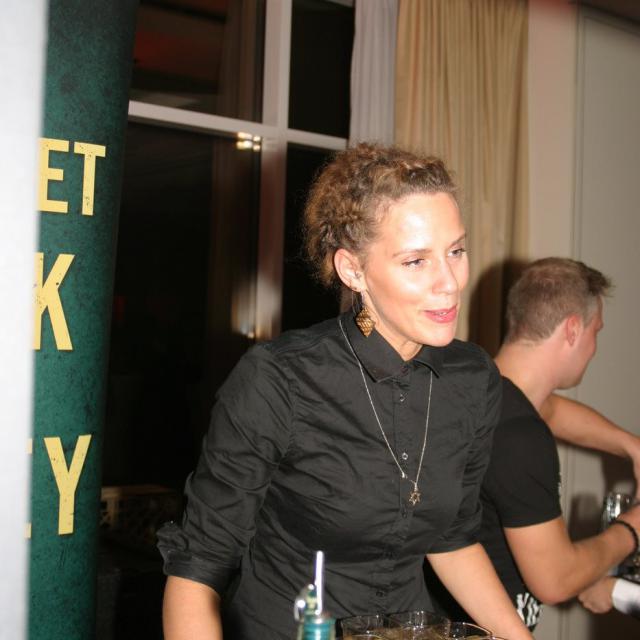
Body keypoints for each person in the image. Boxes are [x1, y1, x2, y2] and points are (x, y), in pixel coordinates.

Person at [157, 144, 533, 640]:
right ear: (353, 270)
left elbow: (453, 538)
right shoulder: (280, 379)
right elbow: (199, 567)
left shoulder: (473, 378)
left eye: (456, 251)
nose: (450, 282)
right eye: (416, 261)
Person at [432, 257, 640, 630]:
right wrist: (632, 529)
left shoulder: (481, 389)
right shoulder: (520, 434)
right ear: (572, 329)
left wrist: (631, 445)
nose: (594, 347)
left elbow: (551, 410)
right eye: (595, 331)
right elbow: (555, 580)